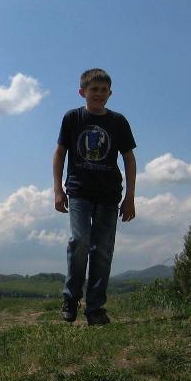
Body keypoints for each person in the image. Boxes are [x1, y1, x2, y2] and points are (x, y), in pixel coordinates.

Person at [53, 68, 137, 326]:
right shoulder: (72, 118)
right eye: (94, 90)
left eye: (103, 90)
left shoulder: (118, 122)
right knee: (80, 241)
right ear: (83, 92)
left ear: (110, 93)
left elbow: (129, 159)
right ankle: (71, 298)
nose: (99, 94)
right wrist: (58, 189)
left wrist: (130, 197)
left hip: (109, 194)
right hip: (79, 190)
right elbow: (60, 153)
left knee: (102, 250)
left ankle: (96, 308)